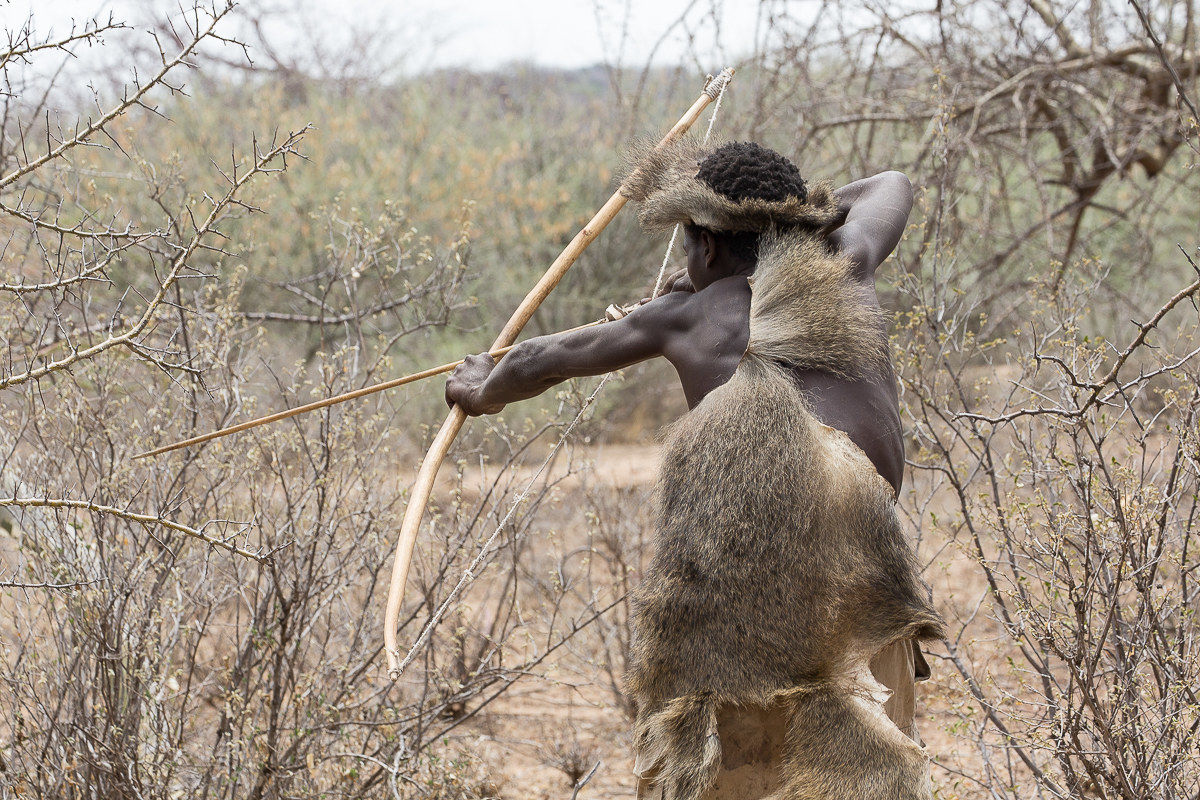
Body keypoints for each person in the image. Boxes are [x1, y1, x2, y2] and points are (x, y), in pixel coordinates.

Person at [446, 140, 943, 800]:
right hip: (867, 578)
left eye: (690, 246)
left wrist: (483, 386)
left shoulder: (684, 315)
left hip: (749, 604)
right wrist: (800, 230)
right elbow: (890, 182)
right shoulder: (845, 262)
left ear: (706, 247)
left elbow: (543, 358)